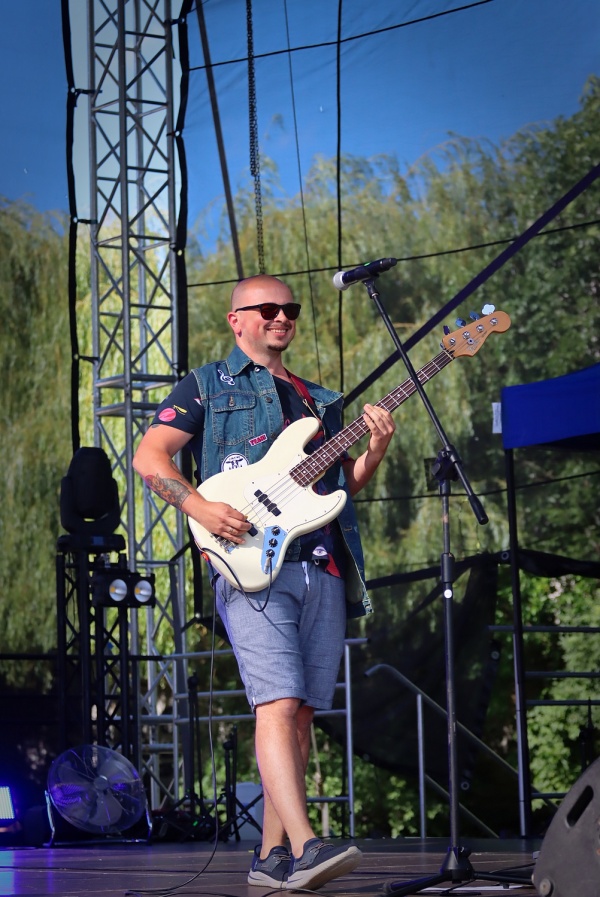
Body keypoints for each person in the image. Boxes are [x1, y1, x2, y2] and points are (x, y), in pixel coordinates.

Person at [133, 274, 395, 890]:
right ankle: (308, 846)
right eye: (268, 308)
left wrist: (375, 451)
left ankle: (271, 858)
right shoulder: (207, 384)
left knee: (300, 713)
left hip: (320, 565)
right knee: (276, 701)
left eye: (290, 309)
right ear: (237, 320)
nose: (282, 317)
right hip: (249, 565)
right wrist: (200, 508)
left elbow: (335, 490)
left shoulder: (318, 400)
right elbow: (150, 457)